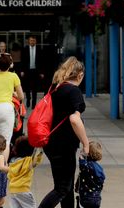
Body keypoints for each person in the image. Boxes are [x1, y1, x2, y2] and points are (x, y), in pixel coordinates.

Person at [38, 57, 90, 208]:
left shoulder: (56, 88)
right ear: (79, 75)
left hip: (52, 143)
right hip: (64, 146)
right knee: (62, 189)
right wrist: (85, 143)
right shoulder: (74, 92)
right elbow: (74, 119)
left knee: (65, 187)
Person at [0, 53, 24, 159]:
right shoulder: (13, 76)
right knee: (5, 140)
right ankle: (3, 167)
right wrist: (12, 93)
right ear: (10, 65)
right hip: (6, 109)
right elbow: (21, 96)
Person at [7, 135, 43, 208]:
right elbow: (36, 160)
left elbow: (9, 175)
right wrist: (39, 147)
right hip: (23, 190)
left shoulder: (12, 162)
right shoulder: (27, 161)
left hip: (13, 190)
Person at [75, 141, 105, 208]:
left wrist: (82, 154)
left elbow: (82, 164)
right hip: (97, 198)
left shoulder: (87, 166)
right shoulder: (100, 168)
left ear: (88, 154)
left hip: (86, 198)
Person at [20, 35, 46, 108]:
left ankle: (34, 103)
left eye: (33, 41)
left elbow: (42, 62)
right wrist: (22, 70)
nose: (32, 42)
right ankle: (28, 99)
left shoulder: (39, 49)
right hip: (27, 71)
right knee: (27, 87)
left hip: (36, 71)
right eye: (31, 40)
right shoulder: (25, 49)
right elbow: (22, 60)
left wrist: (42, 72)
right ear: (28, 41)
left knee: (35, 88)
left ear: (36, 41)